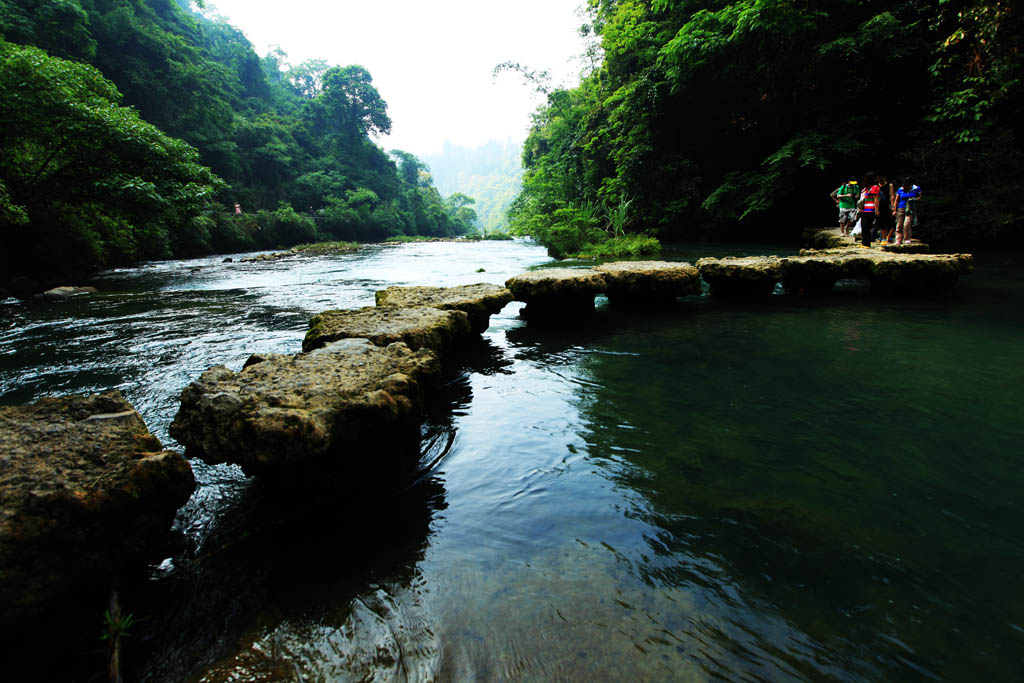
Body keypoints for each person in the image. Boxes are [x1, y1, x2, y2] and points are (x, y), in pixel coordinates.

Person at [857, 172, 881, 248]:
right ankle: (864, 243)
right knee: (863, 227)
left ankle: (867, 243)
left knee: (866, 226)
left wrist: (877, 210)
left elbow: (876, 199)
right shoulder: (865, 189)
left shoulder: (874, 187)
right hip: (864, 210)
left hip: (870, 210)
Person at [894, 178, 922, 244]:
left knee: (906, 224)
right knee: (899, 225)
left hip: (910, 208)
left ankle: (907, 239)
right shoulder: (900, 189)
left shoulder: (916, 188)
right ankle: (898, 240)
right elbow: (896, 200)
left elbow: (919, 197)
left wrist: (914, 199)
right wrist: (894, 209)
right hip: (901, 208)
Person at [876, 174, 895, 243]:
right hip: (879, 205)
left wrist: (893, 206)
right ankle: (883, 237)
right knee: (881, 222)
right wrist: (876, 208)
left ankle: (888, 237)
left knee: (891, 222)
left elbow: (891, 195)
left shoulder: (889, 185)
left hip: (887, 205)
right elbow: (876, 198)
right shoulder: (876, 186)